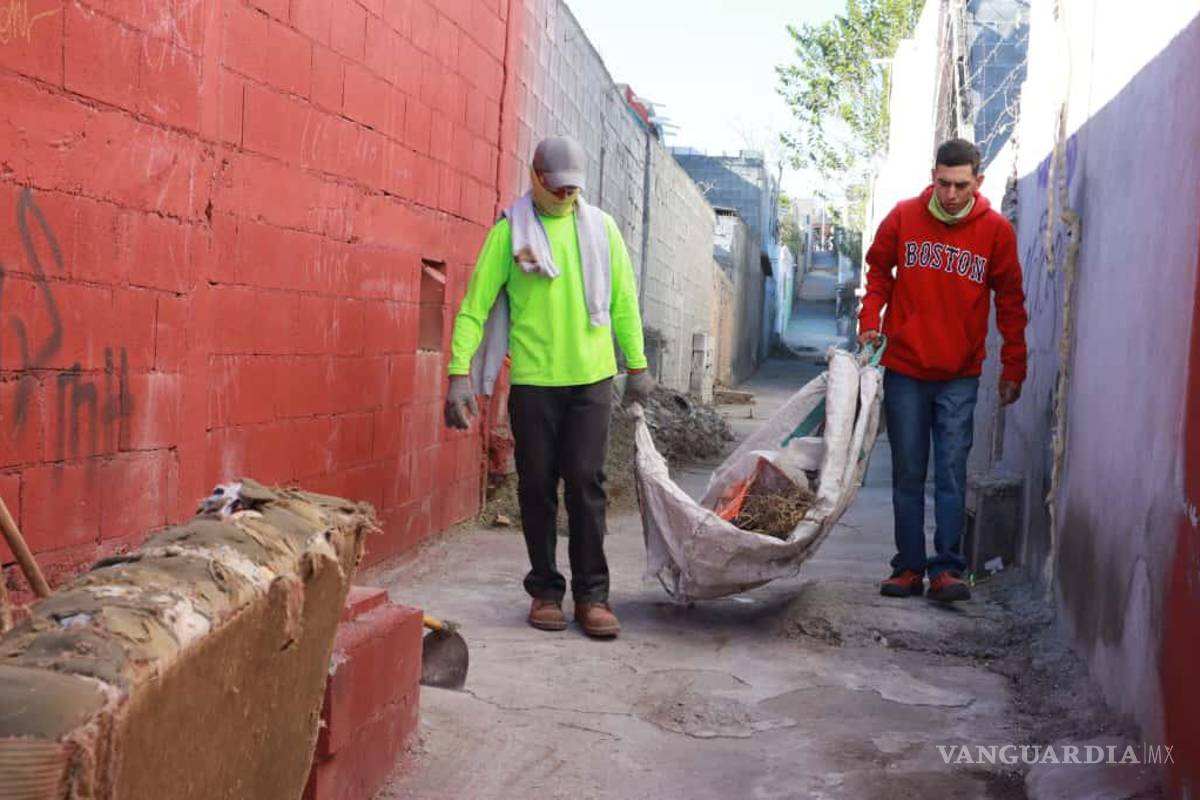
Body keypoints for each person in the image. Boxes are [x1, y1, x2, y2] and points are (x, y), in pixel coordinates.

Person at [443, 135, 653, 637]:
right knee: (536, 488)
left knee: (586, 484)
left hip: (593, 381)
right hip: (535, 383)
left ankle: (593, 596)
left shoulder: (603, 231)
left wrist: (638, 365)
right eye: (556, 189)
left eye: (573, 191)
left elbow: (623, 301)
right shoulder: (509, 235)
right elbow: (475, 306)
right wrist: (457, 373)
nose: (566, 199)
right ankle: (544, 590)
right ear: (536, 178)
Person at [858, 138, 1028, 603]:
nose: (950, 194)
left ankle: (948, 570)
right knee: (908, 473)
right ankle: (908, 567)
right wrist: (870, 322)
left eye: (960, 185)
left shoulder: (995, 232)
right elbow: (878, 274)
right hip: (906, 370)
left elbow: (1011, 302)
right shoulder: (903, 217)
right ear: (932, 176)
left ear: (978, 181)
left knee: (951, 472)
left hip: (959, 375)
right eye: (942, 183)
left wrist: (1015, 363)